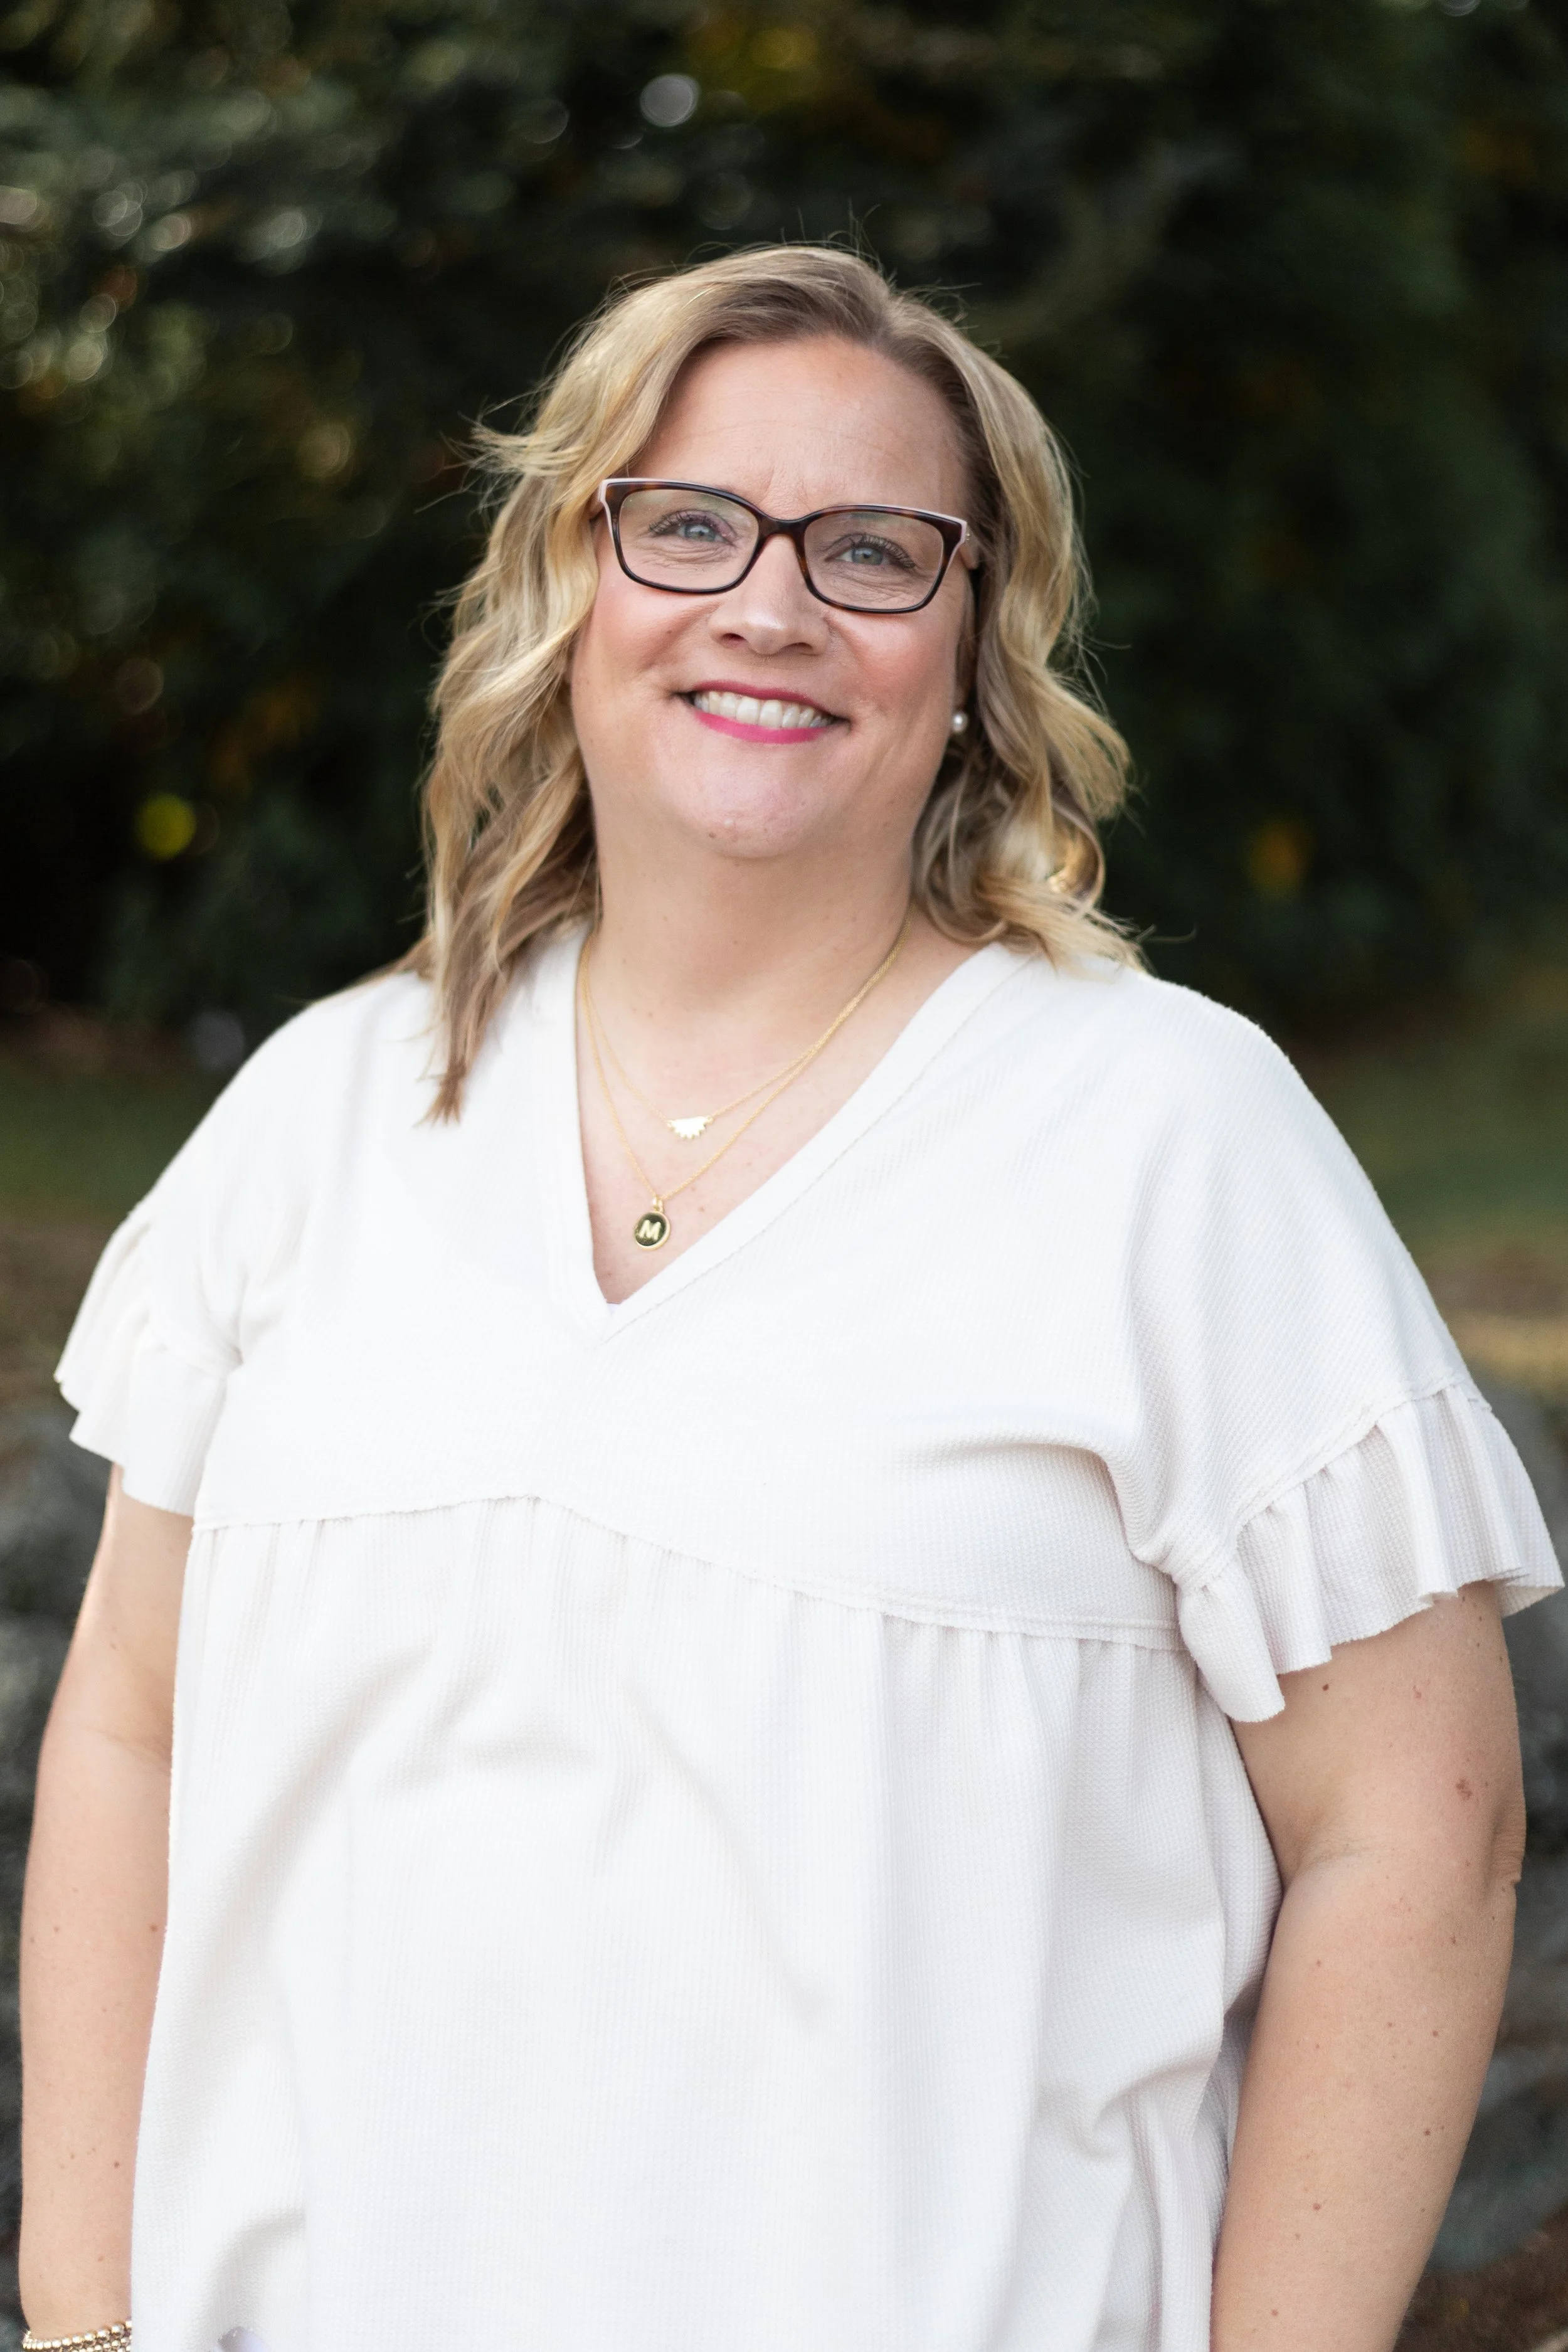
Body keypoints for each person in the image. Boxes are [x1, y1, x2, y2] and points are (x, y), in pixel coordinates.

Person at [18, 244, 1559, 2352]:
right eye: (690, 522)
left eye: (872, 549)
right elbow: (125, 1728)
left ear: (974, 643)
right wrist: (85, 2317)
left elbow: (1419, 1831)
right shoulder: (323, 1114)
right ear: (575, 582)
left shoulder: (1163, 1134)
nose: (770, 602)